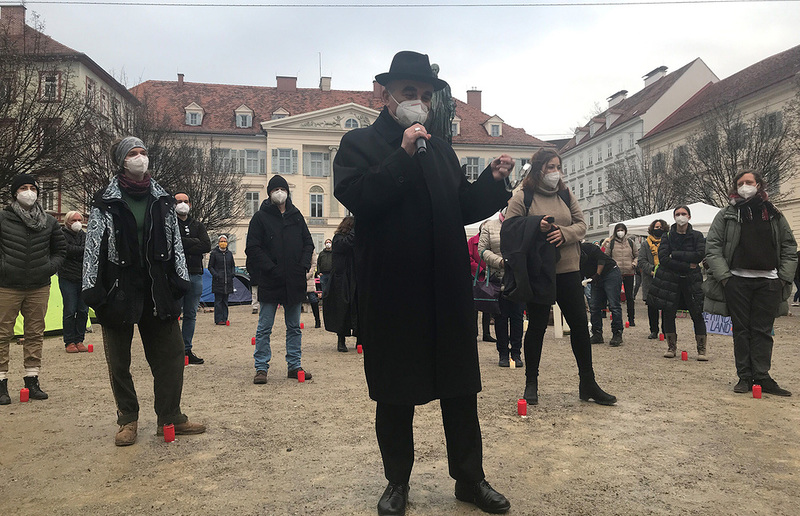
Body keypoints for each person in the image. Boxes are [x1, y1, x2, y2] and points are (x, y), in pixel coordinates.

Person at [333, 51, 512, 515]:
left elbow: (461, 209)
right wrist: (404, 153)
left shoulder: (443, 150)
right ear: (386, 95)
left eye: (426, 95)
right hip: (394, 291)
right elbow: (361, 197)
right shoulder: (359, 144)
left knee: (460, 388)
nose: (420, 102)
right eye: (410, 93)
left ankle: (470, 479)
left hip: (447, 287)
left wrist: (491, 184)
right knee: (395, 392)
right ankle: (397, 483)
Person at [82, 136, 205, 445]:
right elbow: (93, 246)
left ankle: (171, 414)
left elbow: (175, 242)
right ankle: (128, 419)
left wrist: (179, 281)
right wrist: (93, 290)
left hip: (156, 288)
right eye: (133, 154)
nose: (140, 158)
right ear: (122, 161)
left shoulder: (161, 198)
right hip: (118, 288)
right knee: (119, 362)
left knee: (172, 356)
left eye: (143, 153)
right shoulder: (104, 200)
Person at [505, 148, 616, 407]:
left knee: (579, 325)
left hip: (569, 269)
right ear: (538, 169)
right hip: (540, 272)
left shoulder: (565, 193)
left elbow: (581, 225)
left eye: (558, 166)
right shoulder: (523, 195)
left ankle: (587, 382)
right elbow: (510, 229)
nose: (555, 172)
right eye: (550, 167)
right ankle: (531, 383)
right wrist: (537, 225)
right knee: (536, 327)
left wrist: (563, 234)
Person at [704, 170, 797, 395]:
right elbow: (713, 247)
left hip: (769, 281)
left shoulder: (773, 213)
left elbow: (789, 247)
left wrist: (784, 278)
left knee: (763, 331)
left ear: (759, 184)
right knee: (742, 331)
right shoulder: (726, 214)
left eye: (750, 182)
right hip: (737, 281)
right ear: (735, 188)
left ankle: (763, 376)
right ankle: (744, 376)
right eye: (741, 183)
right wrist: (725, 277)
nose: (746, 186)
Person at [0, 174, 66, 405]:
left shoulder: (49, 222)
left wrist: (49, 268)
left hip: (39, 285)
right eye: (23, 188)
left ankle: (32, 379)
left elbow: (61, 249)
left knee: (35, 334)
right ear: (14, 193)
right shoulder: (3, 218)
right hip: (7, 286)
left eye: (32, 188)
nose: (29, 192)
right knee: (2, 334)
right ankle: (1, 383)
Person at [246, 174, 314, 385]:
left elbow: (308, 244)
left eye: (281, 189)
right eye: (274, 189)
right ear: (269, 193)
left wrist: (303, 265)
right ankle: (261, 367)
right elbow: (253, 248)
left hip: (294, 280)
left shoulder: (296, 216)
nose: (279, 192)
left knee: (294, 326)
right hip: (270, 279)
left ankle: (294, 365)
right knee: (264, 327)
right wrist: (270, 267)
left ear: (287, 192)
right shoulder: (260, 218)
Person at [647, 205, 707, 360]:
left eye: (684, 214)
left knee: (697, 313)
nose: (681, 216)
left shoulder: (698, 236)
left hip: (691, 281)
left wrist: (676, 255)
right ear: (674, 217)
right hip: (671, 281)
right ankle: (671, 347)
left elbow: (699, 255)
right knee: (668, 314)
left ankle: (701, 350)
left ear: (689, 216)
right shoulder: (667, 236)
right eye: (678, 214)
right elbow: (664, 259)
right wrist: (687, 264)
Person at [479, 210, 524, 367]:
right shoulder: (490, 226)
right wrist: (500, 262)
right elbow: (482, 250)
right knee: (501, 317)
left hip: (519, 278)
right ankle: (503, 353)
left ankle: (517, 353)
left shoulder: (522, 225)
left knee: (518, 317)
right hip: (499, 278)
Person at [175, 192, 211, 364]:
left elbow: (206, 245)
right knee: (174, 313)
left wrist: (183, 243)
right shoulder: (170, 224)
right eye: (179, 201)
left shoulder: (198, 225)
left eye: (185, 201)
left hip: (195, 273)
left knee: (190, 314)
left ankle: (186, 349)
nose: (182, 204)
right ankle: (173, 350)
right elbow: (170, 245)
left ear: (190, 204)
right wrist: (193, 243)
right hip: (175, 274)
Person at [323, 216, 357, 352]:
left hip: (354, 278)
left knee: (357, 308)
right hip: (341, 279)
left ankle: (359, 339)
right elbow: (347, 244)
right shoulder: (338, 239)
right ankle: (341, 340)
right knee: (342, 309)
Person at [581, 241, 624, 346]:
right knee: (594, 306)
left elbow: (602, 259)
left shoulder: (588, 247)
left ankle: (617, 333)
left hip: (610, 272)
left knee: (614, 304)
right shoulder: (572, 257)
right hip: (594, 277)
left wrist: (597, 274)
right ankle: (597, 334)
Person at [59, 210, 89, 353]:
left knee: (83, 310)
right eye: (73, 220)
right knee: (70, 310)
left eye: (79, 220)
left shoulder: (84, 235)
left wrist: (78, 252)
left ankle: (80, 339)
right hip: (67, 278)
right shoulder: (61, 235)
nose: (77, 223)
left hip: (83, 278)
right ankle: (69, 341)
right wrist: (81, 251)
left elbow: (87, 251)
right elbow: (67, 250)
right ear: (67, 222)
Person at [639, 219, 669, 339]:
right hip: (650, 278)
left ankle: (666, 330)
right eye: (656, 227)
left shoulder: (668, 242)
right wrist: (652, 270)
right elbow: (641, 260)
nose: (658, 229)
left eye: (661, 227)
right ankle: (654, 330)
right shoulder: (645, 244)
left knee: (666, 306)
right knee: (652, 306)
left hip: (666, 278)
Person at [606, 223, 638, 327]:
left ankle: (631, 318)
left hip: (629, 272)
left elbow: (637, 256)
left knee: (630, 297)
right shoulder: (611, 243)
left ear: (625, 231)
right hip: (616, 273)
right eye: (618, 230)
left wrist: (634, 264)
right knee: (615, 297)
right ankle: (616, 318)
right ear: (615, 231)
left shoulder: (630, 242)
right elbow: (607, 257)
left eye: (622, 230)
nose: (620, 232)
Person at [468, 223, 495, 343]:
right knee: (474, 307)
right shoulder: (472, 241)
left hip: (489, 277)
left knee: (487, 305)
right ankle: (473, 333)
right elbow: (468, 258)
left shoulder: (492, 241)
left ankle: (486, 333)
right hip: (475, 277)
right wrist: (479, 270)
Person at [208, 235, 235, 325]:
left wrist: (232, 274)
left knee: (225, 301)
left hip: (228, 281)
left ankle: (225, 318)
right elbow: (210, 267)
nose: (223, 243)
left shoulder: (229, 254)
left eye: (224, 241)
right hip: (218, 281)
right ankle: (219, 319)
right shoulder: (214, 253)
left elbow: (232, 266)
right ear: (218, 242)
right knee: (218, 301)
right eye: (221, 241)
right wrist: (216, 275)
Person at [305, 251, 322, 328]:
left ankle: (317, 320)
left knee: (313, 299)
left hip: (309, 278)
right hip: (298, 277)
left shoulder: (311, 249)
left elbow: (314, 264)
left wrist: (309, 274)